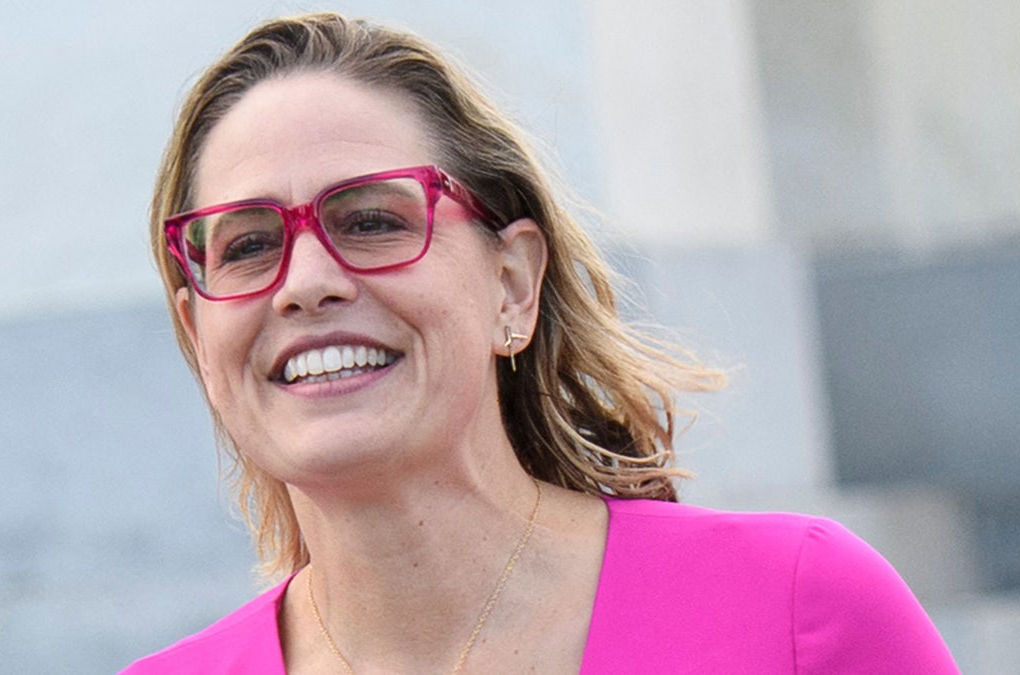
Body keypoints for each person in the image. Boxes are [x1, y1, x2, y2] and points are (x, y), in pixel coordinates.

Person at [121, 12, 958, 674]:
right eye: (247, 245)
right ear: (200, 335)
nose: (305, 280)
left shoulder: (796, 612)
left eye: (372, 220)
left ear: (512, 284)